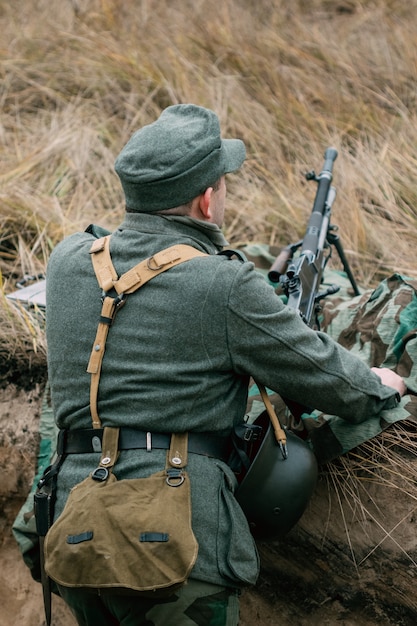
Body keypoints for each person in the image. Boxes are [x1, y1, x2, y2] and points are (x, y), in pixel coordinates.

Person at [45, 104, 406, 626]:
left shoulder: (66, 261)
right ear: (207, 201)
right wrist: (379, 384)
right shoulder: (224, 285)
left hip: (75, 528)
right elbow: (328, 377)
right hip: (173, 540)